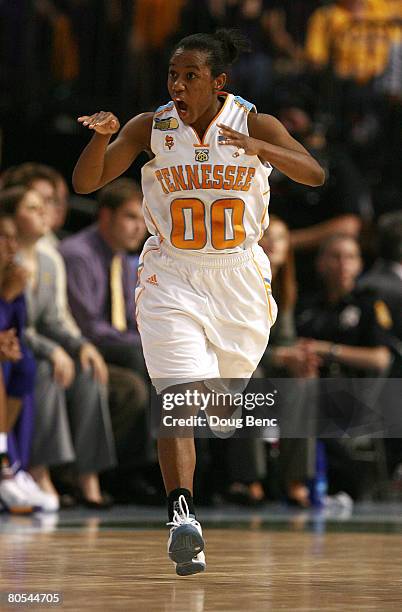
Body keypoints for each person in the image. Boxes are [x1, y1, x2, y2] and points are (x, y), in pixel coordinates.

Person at [72, 29, 325, 575]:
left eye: (190, 76)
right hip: (172, 275)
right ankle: (181, 516)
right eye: (172, 75)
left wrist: (264, 150)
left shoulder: (254, 123)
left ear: (219, 82)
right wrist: (102, 137)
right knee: (178, 398)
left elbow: (314, 173)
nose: (179, 85)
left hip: (237, 278)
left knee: (217, 408)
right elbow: (87, 181)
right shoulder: (152, 126)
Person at [0, 185, 117, 510]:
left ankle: (87, 476)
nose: (43, 213)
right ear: (10, 218)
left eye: (45, 207)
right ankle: (39, 471)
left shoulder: (50, 261)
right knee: (45, 371)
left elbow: (52, 319)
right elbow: (17, 325)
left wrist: (81, 346)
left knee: (89, 372)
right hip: (21, 346)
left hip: (36, 343)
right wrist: (52, 350)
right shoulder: (7, 262)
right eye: (32, 208)